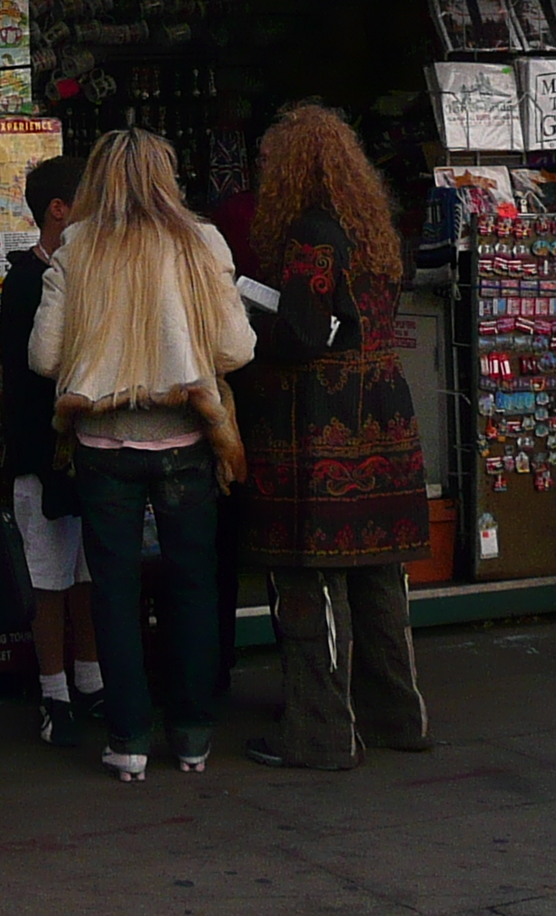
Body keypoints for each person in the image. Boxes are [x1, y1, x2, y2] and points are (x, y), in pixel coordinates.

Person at [30, 128, 253, 780]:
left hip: (102, 445)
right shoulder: (201, 242)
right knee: (192, 587)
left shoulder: (77, 246)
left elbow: (44, 357)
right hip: (186, 439)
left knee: (114, 593)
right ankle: (191, 735)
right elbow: (237, 351)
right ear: (168, 175)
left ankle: (127, 739)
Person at [236, 103, 434, 769]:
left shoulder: (312, 235)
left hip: (319, 423)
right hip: (384, 411)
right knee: (381, 574)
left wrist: (246, 323)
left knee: (309, 579)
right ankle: (395, 716)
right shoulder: (372, 227)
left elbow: (298, 335)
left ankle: (320, 733)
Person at [0, 153, 102, 745]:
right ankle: (54, 693)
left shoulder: (79, 274)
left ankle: (89, 680)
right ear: (58, 211)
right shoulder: (28, 283)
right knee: (48, 581)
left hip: (85, 452)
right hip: (43, 455)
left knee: (85, 576)